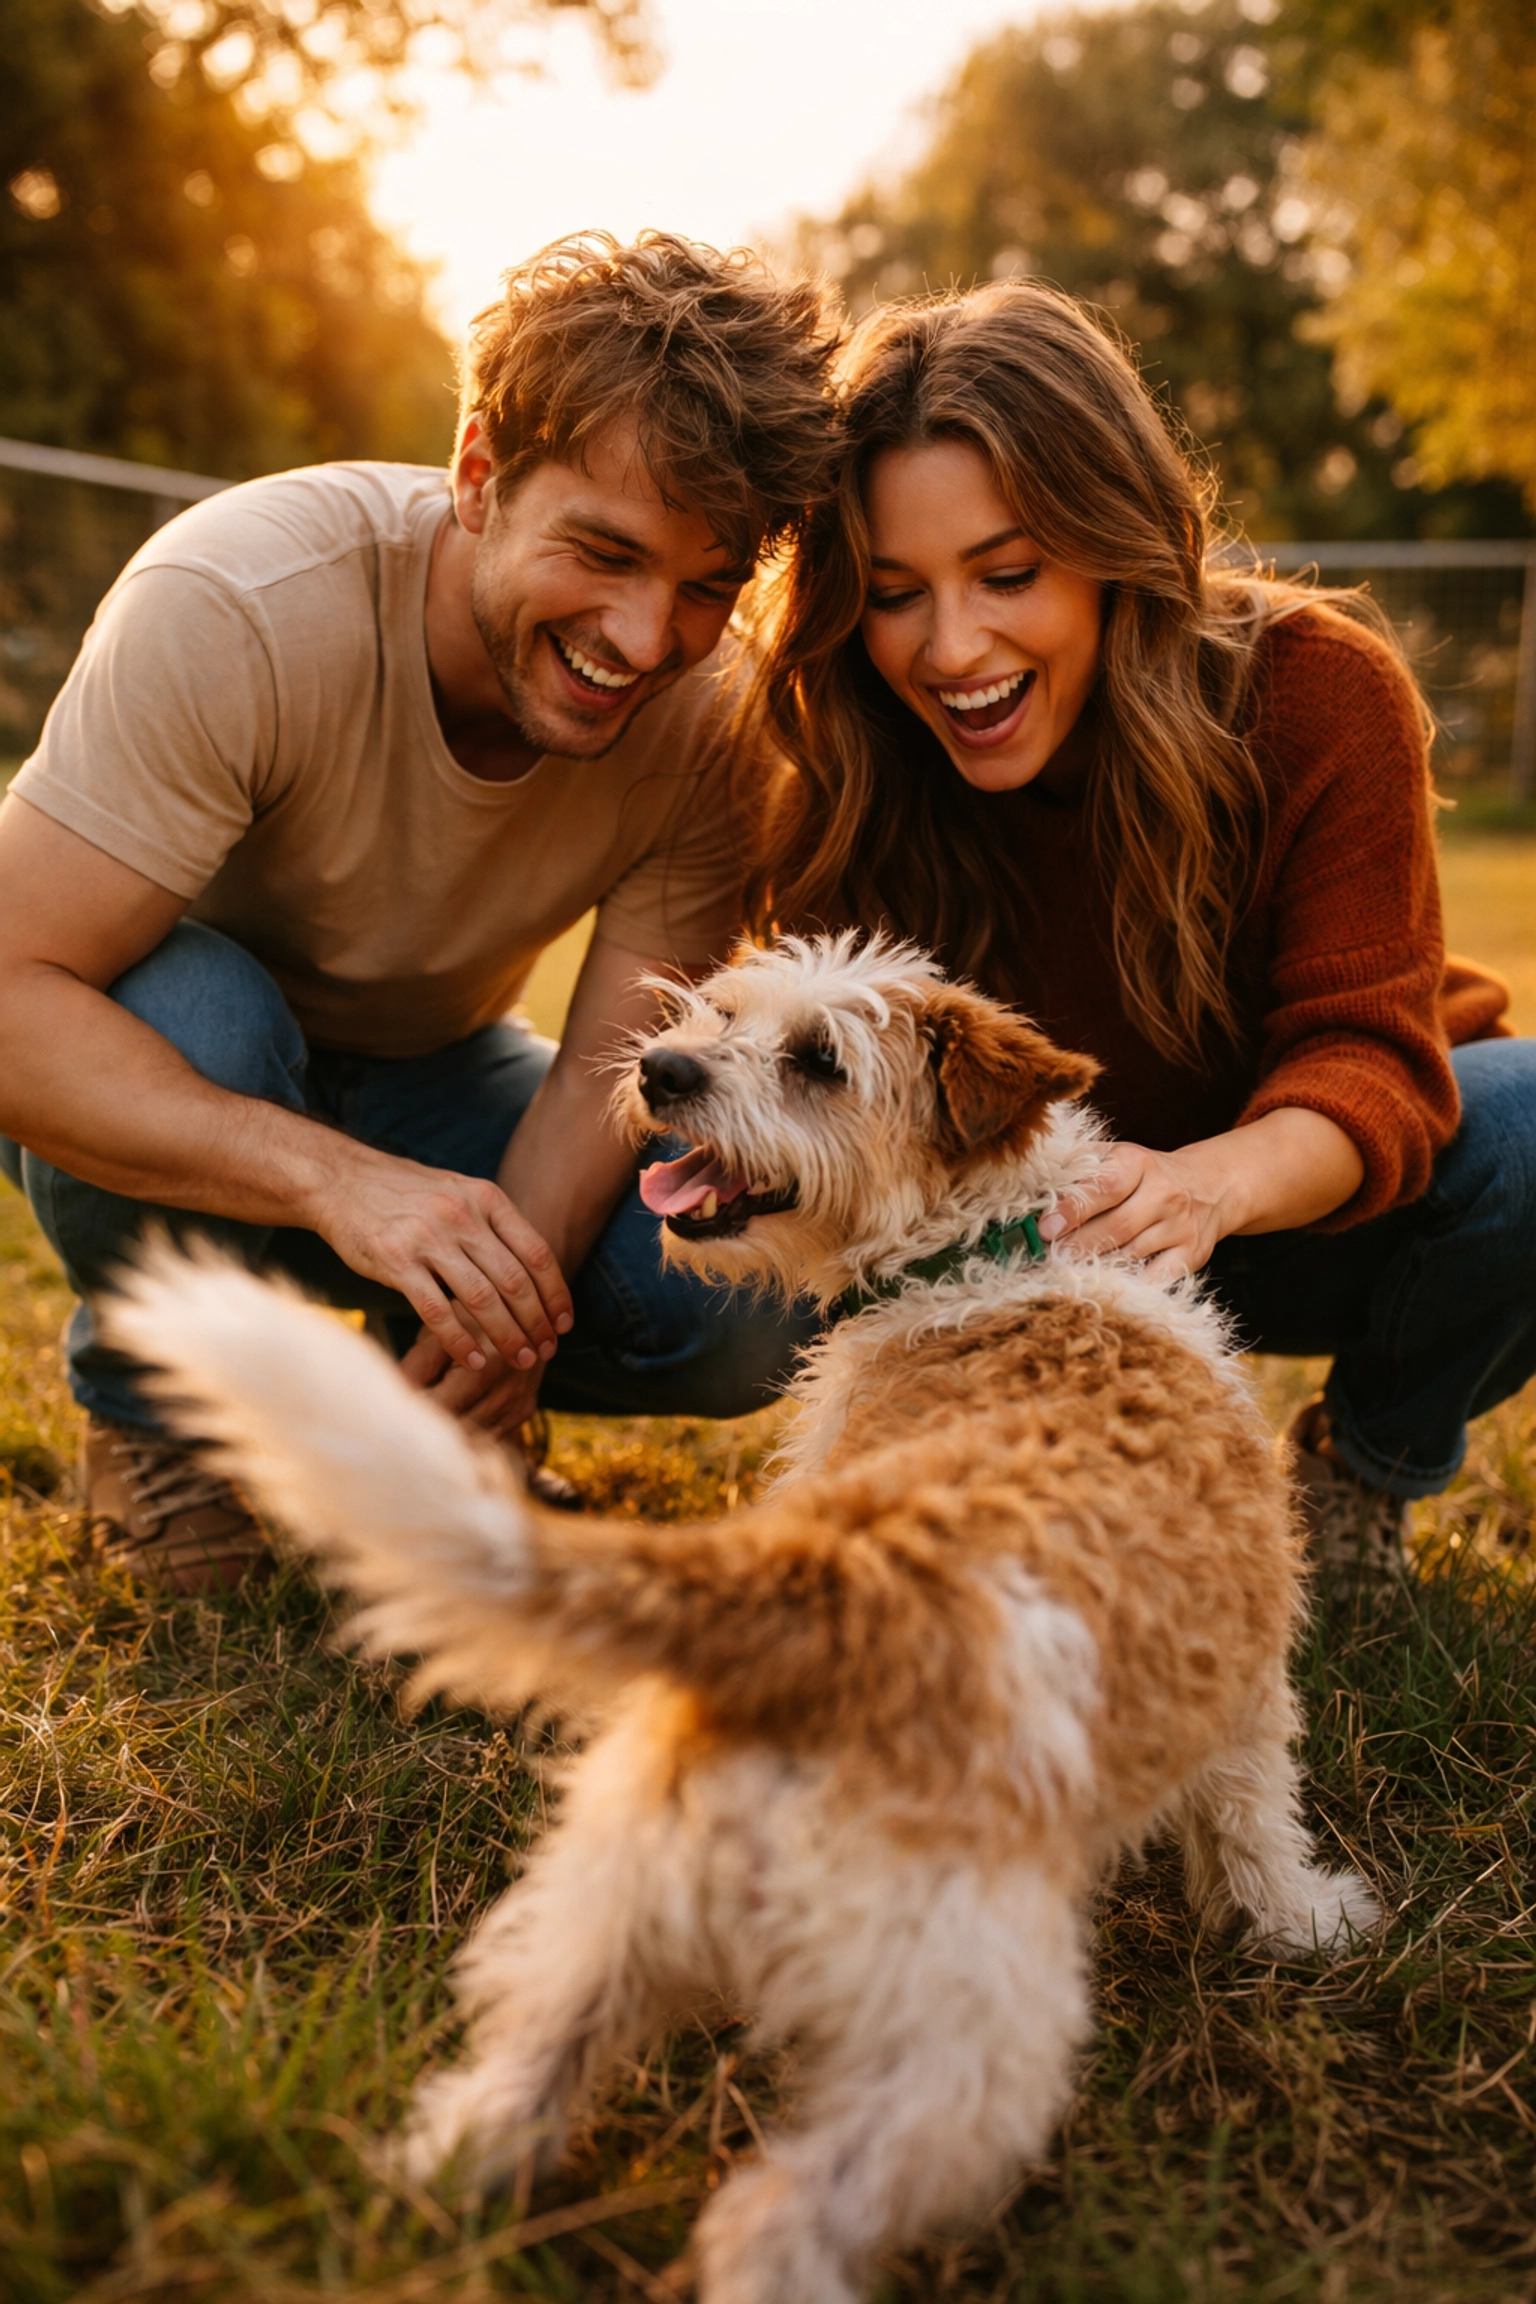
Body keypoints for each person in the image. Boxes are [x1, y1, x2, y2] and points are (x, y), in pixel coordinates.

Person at [0, 231, 837, 1592]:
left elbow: (604, 1065)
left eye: (704, 585)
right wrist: (342, 1187)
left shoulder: (710, 719)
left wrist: (488, 1339)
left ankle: (427, 1416)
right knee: (208, 1012)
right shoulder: (239, 600)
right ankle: (153, 1401)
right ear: (479, 474)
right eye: (603, 553)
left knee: (748, 1308)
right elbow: (9, 999)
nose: (642, 638)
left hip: (433, 1073)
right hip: (164, 1059)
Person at [738, 280, 1535, 1576]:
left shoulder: (1318, 692)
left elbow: (1368, 1058)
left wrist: (1203, 1187)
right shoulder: (852, 758)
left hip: (1287, 1209)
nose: (953, 647)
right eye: (896, 592)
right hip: (1010, 1250)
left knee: (1532, 1127)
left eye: (1007, 574)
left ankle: (1358, 1475)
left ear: (1116, 546)